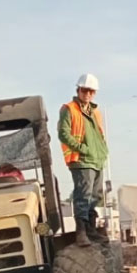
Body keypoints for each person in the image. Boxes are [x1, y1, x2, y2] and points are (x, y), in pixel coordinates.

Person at [58, 73, 109, 247]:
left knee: (95, 197)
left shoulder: (95, 112)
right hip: (81, 160)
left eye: (91, 91)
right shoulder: (69, 109)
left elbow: (99, 135)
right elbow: (63, 134)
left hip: (97, 160)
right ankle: (81, 233)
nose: (87, 94)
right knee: (83, 196)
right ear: (78, 90)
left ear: (94, 93)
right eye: (85, 90)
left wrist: (102, 152)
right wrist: (82, 149)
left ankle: (91, 230)